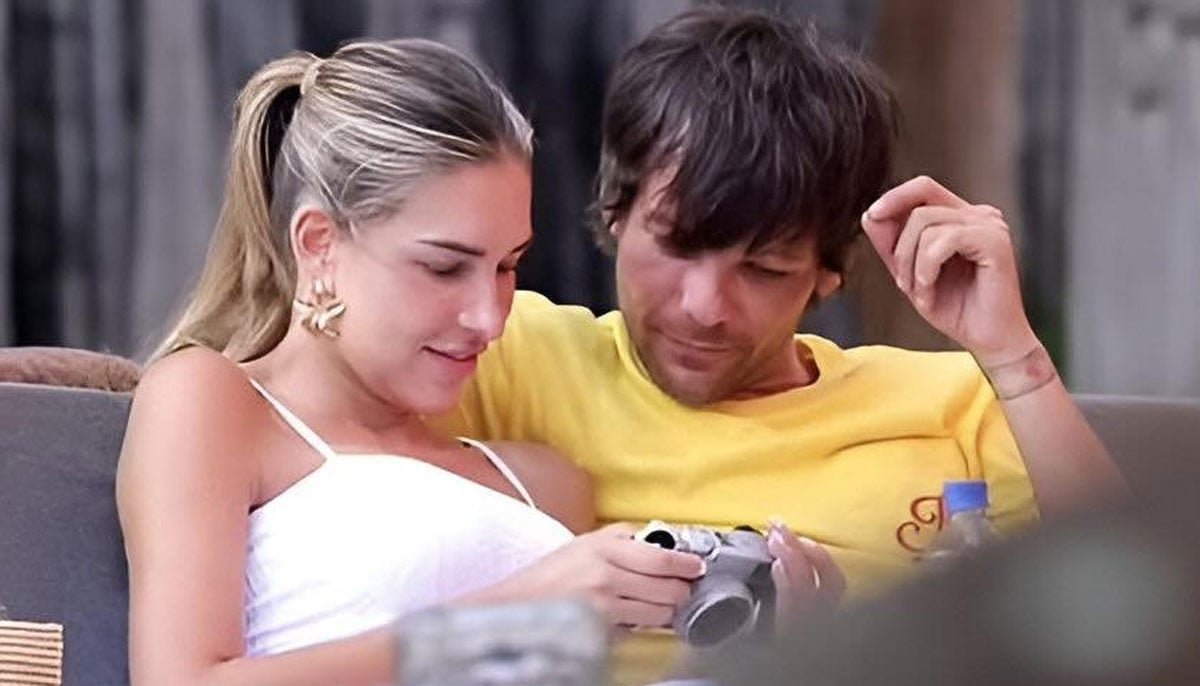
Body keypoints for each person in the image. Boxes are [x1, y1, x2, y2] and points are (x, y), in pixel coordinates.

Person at [433, 6, 1127, 683]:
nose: (704, 307)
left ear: (828, 271)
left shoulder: (951, 405)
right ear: (618, 211)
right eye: (676, 245)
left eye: (763, 269)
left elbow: (1134, 616)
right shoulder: (502, 353)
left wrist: (1016, 361)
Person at [116, 39, 706, 686]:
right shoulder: (213, 401)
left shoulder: (544, 483)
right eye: (445, 267)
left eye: (508, 266)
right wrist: (513, 617)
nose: (490, 318)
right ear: (319, 244)